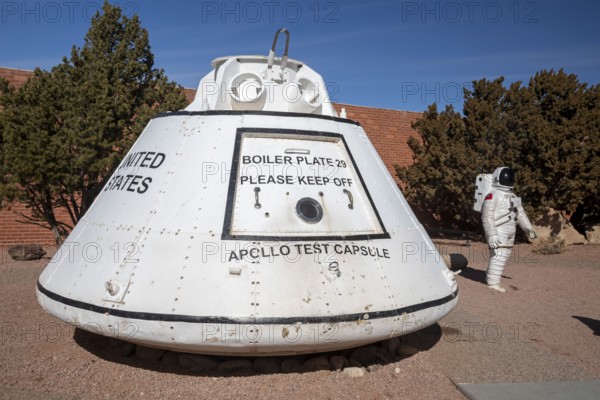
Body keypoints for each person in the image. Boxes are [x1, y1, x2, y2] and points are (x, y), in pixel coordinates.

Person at [481, 167, 537, 292]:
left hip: (510, 230)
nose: (508, 179)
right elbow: (487, 216)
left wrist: (528, 228)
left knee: (503, 255)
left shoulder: (513, 196)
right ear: (497, 178)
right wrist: (492, 235)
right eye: (506, 177)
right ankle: (493, 282)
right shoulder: (492, 195)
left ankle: (491, 277)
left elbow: (520, 214)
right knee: (499, 256)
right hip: (499, 229)